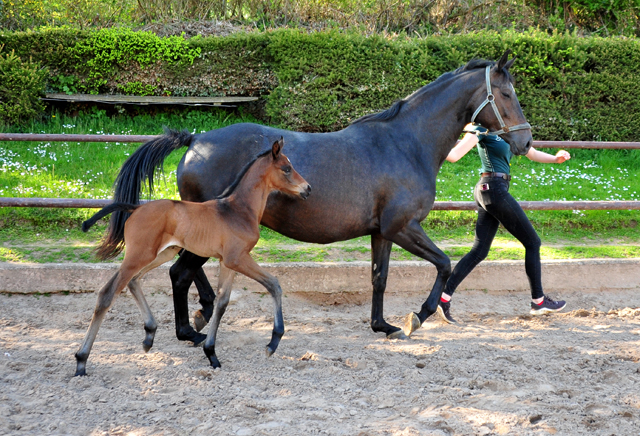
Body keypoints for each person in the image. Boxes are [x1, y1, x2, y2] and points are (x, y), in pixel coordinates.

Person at [438, 124, 570, 324]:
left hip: (492, 189)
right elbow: (454, 155)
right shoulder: (480, 128)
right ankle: (539, 301)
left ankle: (442, 299)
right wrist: (434, 139)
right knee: (533, 242)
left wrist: (555, 159)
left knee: (480, 250)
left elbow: (530, 152)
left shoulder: (508, 129)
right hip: (493, 188)